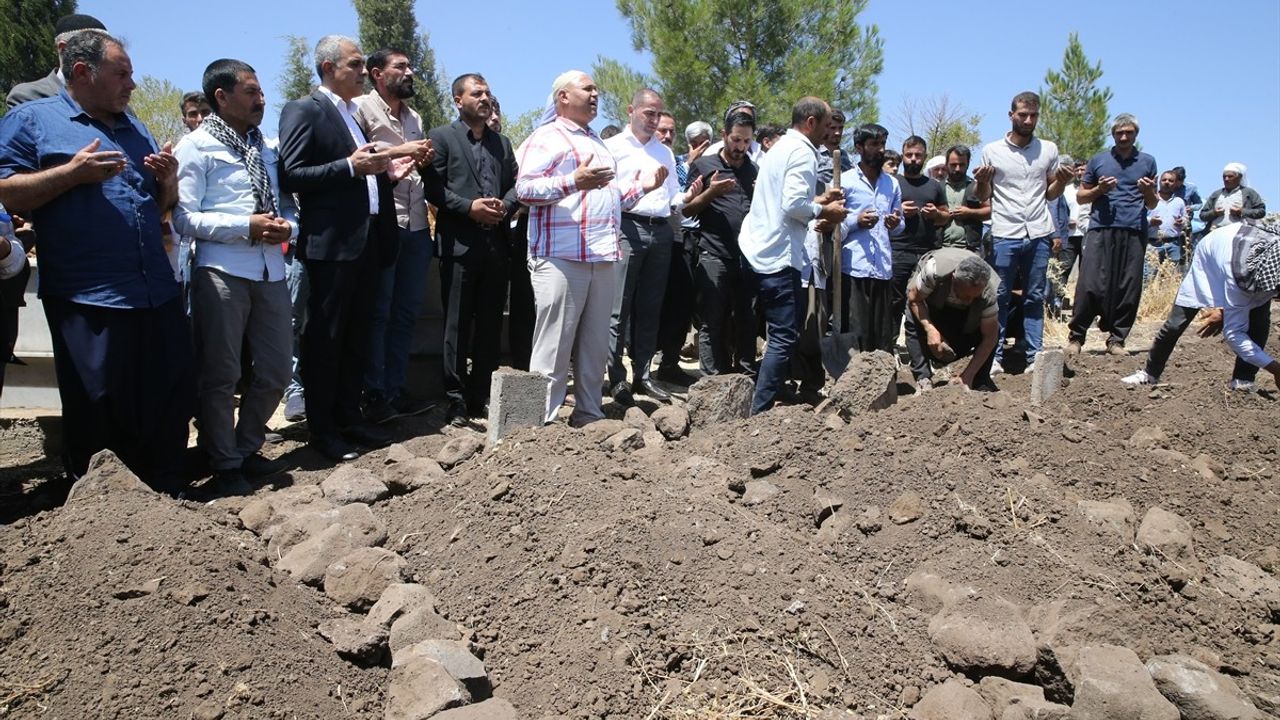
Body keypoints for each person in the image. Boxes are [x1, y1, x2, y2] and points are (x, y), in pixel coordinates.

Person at [0, 29, 194, 492]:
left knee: (166, 393)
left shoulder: (135, 127)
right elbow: (5, 190)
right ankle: (102, 503)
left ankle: (168, 493)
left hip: (154, 289)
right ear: (83, 73)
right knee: (99, 401)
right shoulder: (34, 120)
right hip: (90, 292)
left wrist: (168, 183)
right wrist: (71, 174)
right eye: (121, 74)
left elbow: (160, 206)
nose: (131, 85)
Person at [278, 35, 426, 463]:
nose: (364, 72)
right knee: (326, 340)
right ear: (328, 68)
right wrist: (350, 166)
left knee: (358, 337)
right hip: (334, 247)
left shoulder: (352, 115)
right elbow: (292, 173)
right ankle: (323, 431)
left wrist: (385, 173)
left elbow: (365, 172)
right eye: (356, 65)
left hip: (368, 244)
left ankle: (349, 418)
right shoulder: (305, 109)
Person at [515, 70, 666, 426]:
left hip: (601, 256)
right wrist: (572, 181)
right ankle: (539, 425)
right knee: (554, 345)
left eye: (596, 88)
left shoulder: (597, 141)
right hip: (561, 256)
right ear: (563, 97)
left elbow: (611, 199)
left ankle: (588, 413)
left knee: (595, 347)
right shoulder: (546, 137)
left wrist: (642, 187)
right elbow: (524, 190)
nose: (596, 94)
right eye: (588, 88)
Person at [173, 58, 294, 491]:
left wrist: (285, 228)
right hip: (221, 270)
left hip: (271, 270)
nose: (260, 100)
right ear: (221, 97)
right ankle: (225, 464)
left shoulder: (267, 146)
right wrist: (245, 225)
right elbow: (184, 219)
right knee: (221, 373)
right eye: (250, 92)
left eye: (261, 92)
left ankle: (244, 447)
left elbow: (288, 208)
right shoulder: (196, 146)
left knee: (278, 367)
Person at [737, 97, 847, 414]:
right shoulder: (803, 152)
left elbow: (783, 195)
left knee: (774, 328)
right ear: (811, 122)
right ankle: (761, 410)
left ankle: (765, 390)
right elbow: (792, 206)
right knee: (784, 337)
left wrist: (819, 197)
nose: (830, 133)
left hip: (755, 249)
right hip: (777, 257)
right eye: (827, 126)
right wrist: (825, 209)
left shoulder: (781, 147)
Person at [423, 73, 519, 426]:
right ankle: (456, 400)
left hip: (496, 245)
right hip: (459, 245)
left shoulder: (502, 143)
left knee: (491, 325)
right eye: (476, 93)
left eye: (488, 93)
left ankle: (482, 395)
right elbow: (433, 188)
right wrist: (469, 208)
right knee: (457, 325)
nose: (484, 98)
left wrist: (503, 208)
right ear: (457, 100)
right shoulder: (441, 137)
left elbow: (515, 186)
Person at [353, 48, 436, 424]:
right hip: (383, 224)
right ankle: (371, 393)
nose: (409, 72)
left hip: (417, 225)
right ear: (376, 74)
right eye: (400, 67)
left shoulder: (415, 116)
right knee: (378, 313)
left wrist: (421, 160)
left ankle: (395, 389)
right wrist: (396, 159)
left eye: (409, 66)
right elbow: (359, 160)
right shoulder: (359, 110)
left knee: (405, 314)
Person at [603, 88, 699, 405]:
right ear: (631, 110)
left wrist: (688, 196)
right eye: (649, 113)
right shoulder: (613, 147)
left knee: (650, 308)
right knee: (619, 308)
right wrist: (642, 187)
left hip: (660, 231)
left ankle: (643, 376)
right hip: (626, 226)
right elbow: (605, 193)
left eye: (658, 113)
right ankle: (616, 378)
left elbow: (672, 197)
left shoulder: (665, 153)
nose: (654, 119)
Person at [975, 91, 1073, 374]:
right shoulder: (992, 151)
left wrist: (1063, 183)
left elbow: (1050, 192)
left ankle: (1034, 356)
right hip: (1006, 230)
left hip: (1039, 230)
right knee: (1000, 295)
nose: (1028, 120)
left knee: (1035, 295)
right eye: (1022, 115)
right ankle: (994, 356)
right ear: (1011, 115)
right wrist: (982, 181)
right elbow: (985, 194)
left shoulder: (1048, 150)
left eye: (1033, 116)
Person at [1122, 217, 1280, 392]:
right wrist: (1275, 369)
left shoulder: (1270, 269)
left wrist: (1226, 310)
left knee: (1259, 323)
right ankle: (1149, 374)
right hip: (1211, 258)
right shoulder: (1243, 275)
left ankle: (1243, 381)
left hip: (1239, 255)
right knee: (1176, 323)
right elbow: (1234, 334)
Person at [1067, 113, 1158, 356]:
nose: (1124, 137)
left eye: (1129, 132)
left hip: (1133, 229)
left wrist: (1148, 191)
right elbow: (1081, 196)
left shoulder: (1147, 161)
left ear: (1136, 134)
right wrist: (1100, 188)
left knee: (1128, 285)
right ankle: (1076, 337)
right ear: (1113, 135)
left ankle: (1117, 340)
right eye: (1119, 133)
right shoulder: (1099, 160)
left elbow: (1151, 204)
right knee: (1089, 283)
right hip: (1100, 227)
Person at [684, 111, 758, 376]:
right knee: (712, 320)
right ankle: (712, 380)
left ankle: (747, 374)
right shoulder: (704, 166)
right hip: (714, 253)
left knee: (747, 319)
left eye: (746, 142)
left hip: (747, 258)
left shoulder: (753, 171)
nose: (740, 147)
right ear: (725, 135)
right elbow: (687, 210)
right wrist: (711, 192)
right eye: (736, 140)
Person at [835, 123, 901, 353]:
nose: (880, 150)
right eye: (874, 144)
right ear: (859, 147)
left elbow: (899, 224)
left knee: (881, 336)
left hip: (882, 267)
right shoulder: (845, 181)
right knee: (856, 333)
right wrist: (857, 222)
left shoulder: (891, 183)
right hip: (854, 268)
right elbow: (834, 227)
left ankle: (881, 385)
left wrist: (895, 223)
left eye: (882, 144)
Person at [654, 118, 710, 386]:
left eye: (670, 132)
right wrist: (689, 162)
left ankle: (670, 361)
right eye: (661, 130)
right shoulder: (675, 162)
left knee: (684, 304)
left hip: (689, 240)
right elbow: (678, 197)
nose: (666, 135)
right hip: (664, 239)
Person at [904, 249, 1000, 391]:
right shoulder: (934, 270)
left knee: (993, 329)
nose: (970, 300)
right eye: (967, 295)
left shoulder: (988, 291)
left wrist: (968, 375)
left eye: (975, 296)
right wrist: (929, 328)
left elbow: (990, 337)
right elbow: (914, 300)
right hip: (933, 305)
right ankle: (923, 378)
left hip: (966, 321)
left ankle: (980, 380)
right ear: (954, 280)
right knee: (912, 316)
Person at [890, 136, 949, 355]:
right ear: (902, 155)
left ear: (924, 157)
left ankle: (925, 352)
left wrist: (936, 214)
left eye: (918, 155)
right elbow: (881, 215)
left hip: (926, 253)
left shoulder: (934, 186)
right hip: (898, 251)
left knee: (922, 303)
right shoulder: (892, 183)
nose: (913, 159)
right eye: (909, 155)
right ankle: (891, 348)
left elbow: (945, 216)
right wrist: (898, 212)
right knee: (894, 303)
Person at [5, 13, 107, 108]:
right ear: (64, 49)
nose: (105, 57)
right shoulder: (29, 97)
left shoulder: (110, 97)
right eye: (95, 49)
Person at [939, 145, 989, 252]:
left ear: (968, 165)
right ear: (946, 164)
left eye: (961, 165)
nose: (957, 169)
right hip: (939, 248)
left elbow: (990, 211)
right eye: (953, 165)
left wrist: (969, 212)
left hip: (969, 249)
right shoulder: (937, 187)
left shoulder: (976, 187)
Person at [1201, 163, 1267, 230]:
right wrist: (1214, 213)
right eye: (1224, 177)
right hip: (1215, 231)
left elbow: (1261, 211)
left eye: (1230, 176)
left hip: (1240, 233)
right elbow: (1202, 215)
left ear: (1240, 177)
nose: (1226, 179)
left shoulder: (1249, 193)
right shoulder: (1216, 194)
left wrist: (1241, 211)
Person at [1146, 170, 1187, 273]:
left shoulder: (1179, 202)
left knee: (1171, 277)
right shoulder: (1150, 199)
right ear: (1159, 182)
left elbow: (1186, 220)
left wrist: (1182, 222)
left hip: (1173, 244)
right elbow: (1139, 218)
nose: (1167, 182)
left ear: (1175, 184)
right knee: (1148, 277)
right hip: (1153, 245)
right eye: (1164, 180)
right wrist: (1151, 221)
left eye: (1170, 180)